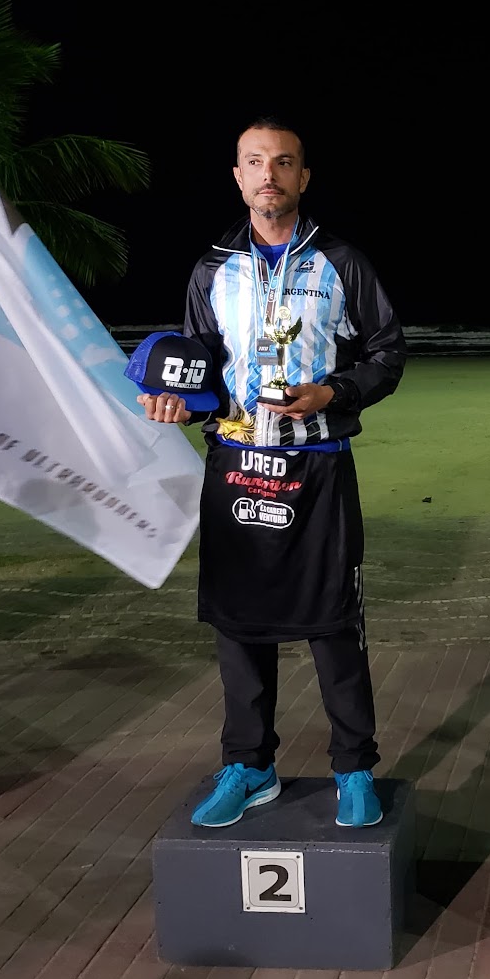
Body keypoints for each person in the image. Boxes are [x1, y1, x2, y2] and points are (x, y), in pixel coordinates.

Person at [136, 116, 406, 829]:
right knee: (239, 624)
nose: (269, 174)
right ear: (237, 177)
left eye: (283, 162)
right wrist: (175, 402)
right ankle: (249, 766)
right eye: (255, 162)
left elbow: (387, 354)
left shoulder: (342, 263)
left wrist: (332, 392)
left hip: (317, 466)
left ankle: (353, 767)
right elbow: (199, 367)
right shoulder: (211, 268)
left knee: (333, 623)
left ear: (303, 177)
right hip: (235, 463)